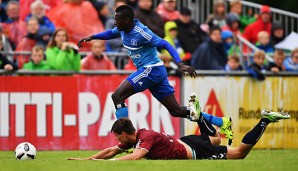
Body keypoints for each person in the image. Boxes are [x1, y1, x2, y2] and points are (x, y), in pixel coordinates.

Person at [78, 5, 233, 141]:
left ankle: (128, 139)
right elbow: (111, 33)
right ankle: (221, 122)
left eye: (117, 20)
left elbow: (165, 43)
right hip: (154, 71)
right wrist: (92, 37)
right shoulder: (122, 28)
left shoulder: (142, 32)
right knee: (176, 110)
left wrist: (180, 63)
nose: (115, 22)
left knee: (117, 96)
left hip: (151, 70)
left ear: (127, 20)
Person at [67, 109, 290, 160]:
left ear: (125, 133)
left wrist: (108, 166)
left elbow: (134, 157)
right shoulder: (137, 138)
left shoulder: (146, 137)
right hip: (185, 141)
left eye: (118, 137)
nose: (117, 141)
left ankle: (264, 120)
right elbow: (112, 151)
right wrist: (89, 160)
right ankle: (200, 115)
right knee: (217, 138)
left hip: (193, 149)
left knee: (240, 153)